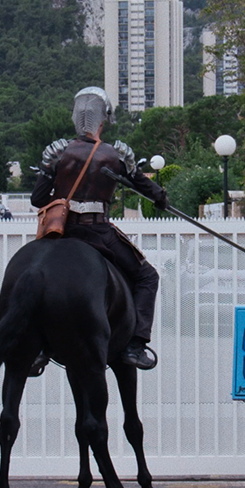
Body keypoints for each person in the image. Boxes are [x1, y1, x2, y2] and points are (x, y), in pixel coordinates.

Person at [30, 86, 167, 372]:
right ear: (103, 119)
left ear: (75, 116)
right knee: (147, 277)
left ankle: (38, 347)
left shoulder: (58, 153)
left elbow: (38, 200)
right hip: (99, 233)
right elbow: (146, 188)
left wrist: (47, 169)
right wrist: (161, 196)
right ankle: (136, 345)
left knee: (34, 279)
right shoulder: (114, 155)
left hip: (64, 233)